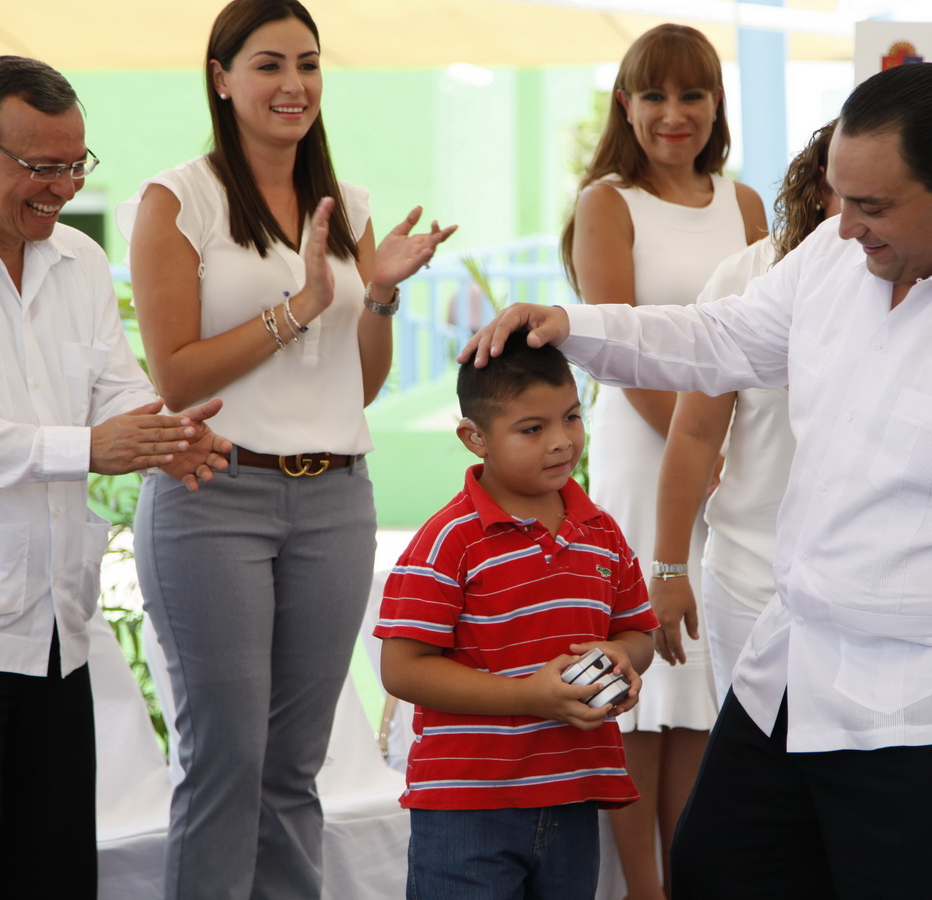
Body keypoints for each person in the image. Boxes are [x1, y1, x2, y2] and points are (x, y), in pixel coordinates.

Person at [462, 62, 932, 898]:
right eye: (842, 196)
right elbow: (724, 337)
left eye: (872, 206)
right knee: (716, 870)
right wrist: (573, 326)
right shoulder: (843, 254)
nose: (845, 226)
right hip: (796, 673)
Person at [0, 56, 230, 900]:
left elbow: (114, 384)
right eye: (40, 166)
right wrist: (86, 448)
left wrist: (165, 432)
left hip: (53, 627)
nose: (63, 187)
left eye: (75, 163)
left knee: (53, 874)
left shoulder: (79, 261)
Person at [115, 1, 454, 897]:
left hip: (335, 498)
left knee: (296, 769)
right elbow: (176, 377)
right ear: (221, 79)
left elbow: (361, 384)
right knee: (226, 761)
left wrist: (378, 297)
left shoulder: (351, 207)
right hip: (215, 496)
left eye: (307, 63)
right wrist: (296, 309)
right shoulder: (176, 200)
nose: (293, 84)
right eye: (268, 64)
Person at [558, 23, 768, 898]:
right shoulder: (607, 202)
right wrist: (698, 450)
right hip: (646, 460)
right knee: (639, 691)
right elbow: (619, 347)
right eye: (655, 95)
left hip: (730, 463)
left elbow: (759, 340)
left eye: (692, 95)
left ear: (717, 104)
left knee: (703, 693)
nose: (673, 114)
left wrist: (725, 456)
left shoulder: (746, 204)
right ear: (625, 104)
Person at [374, 329, 658, 899]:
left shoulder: (601, 531)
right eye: (532, 429)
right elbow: (402, 669)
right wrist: (530, 696)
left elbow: (637, 632)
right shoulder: (448, 541)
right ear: (474, 437)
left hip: (573, 792)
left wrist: (621, 658)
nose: (561, 442)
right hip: (466, 805)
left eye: (571, 417)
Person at [652, 120, 838, 699]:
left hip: (871, 584)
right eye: (852, 190)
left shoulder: (926, 279)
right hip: (750, 574)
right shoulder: (747, 275)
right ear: (819, 187)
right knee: (752, 748)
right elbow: (694, 434)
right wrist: (668, 569)